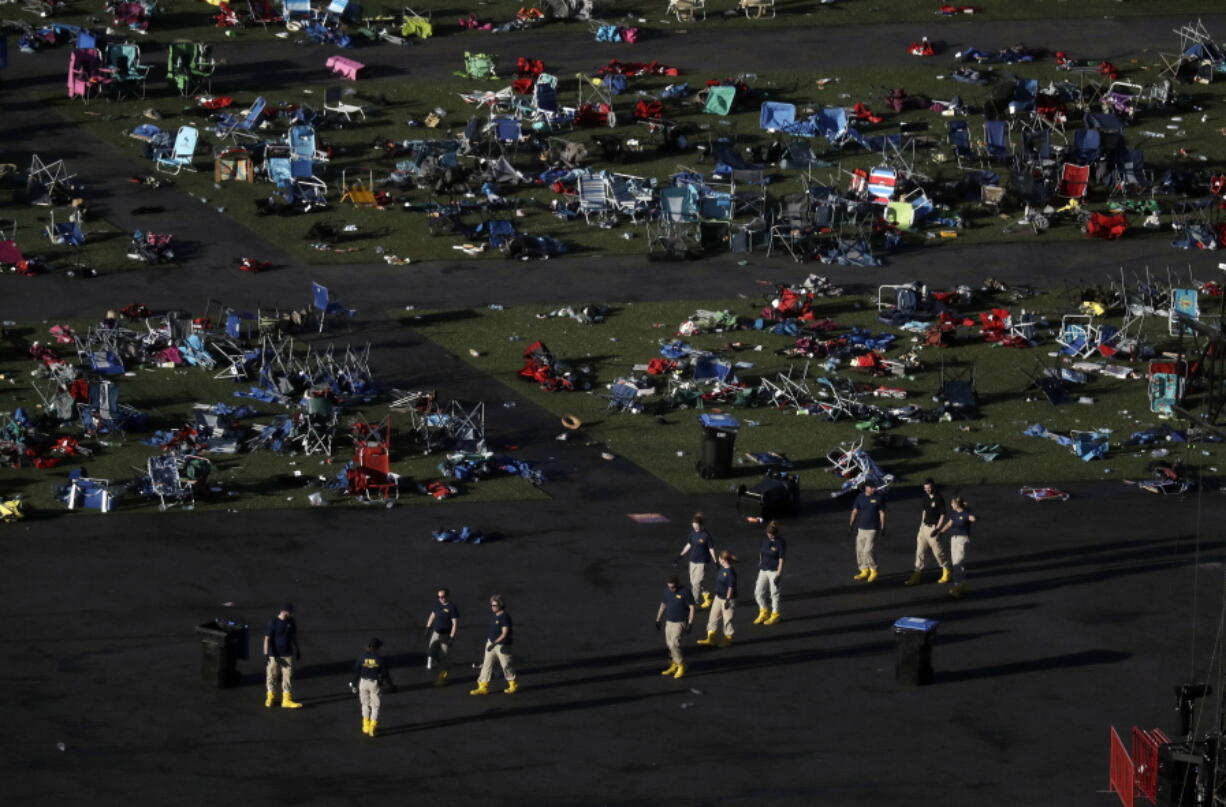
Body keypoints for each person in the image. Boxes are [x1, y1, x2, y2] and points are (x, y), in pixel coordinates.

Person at [906, 479, 951, 586]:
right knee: (919, 552)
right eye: (925, 488)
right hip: (924, 528)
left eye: (929, 488)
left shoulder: (939, 498)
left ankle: (946, 570)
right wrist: (921, 524)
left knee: (938, 552)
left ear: (933, 486)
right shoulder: (925, 497)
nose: (927, 490)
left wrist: (938, 529)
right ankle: (917, 574)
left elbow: (942, 515)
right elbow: (924, 511)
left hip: (934, 528)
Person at [470, 595, 518, 695]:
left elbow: (504, 633)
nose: (492, 607)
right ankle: (483, 687)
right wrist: (490, 643)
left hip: (502, 645)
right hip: (491, 643)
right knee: (486, 665)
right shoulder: (495, 615)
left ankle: (513, 684)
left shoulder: (504, 617)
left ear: (501, 605)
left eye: (494, 605)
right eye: (491, 605)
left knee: (506, 665)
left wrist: (495, 643)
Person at [349, 638, 395, 737]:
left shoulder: (361, 657)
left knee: (365, 704)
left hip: (363, 683)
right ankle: (372, 728)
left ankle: (365, 726)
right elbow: (385, 675)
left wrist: (353, 683)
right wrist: (392, 686)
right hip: (374, 684)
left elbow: (356, 671)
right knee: (375, 706)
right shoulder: (380, 659)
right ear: (377, 648)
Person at [655, 575, 695, 678]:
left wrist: (690, 623)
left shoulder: (685, 592)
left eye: (673, 587)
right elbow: (663, 605)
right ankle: (674, 665)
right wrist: (658, 619)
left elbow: (692, 607)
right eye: (669, 587)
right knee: (669, 645)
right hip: (669, 622)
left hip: (680, 622)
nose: (671, 589)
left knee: (674, 644)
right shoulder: (667, 592)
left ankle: (681, 665)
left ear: (677, 584)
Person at [263, 603, 302, 709]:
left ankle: (286, 700)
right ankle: (270, 697)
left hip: (287, 655)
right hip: (274, 656)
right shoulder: (273, 622)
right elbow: (267, 639)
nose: (292, 614)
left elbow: (294, 637)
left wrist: (297, 649)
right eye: (291, 612)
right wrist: (266, 654)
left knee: (288, 676)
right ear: (284, 611)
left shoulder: (291, 622)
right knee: (272, 676)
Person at [675, 513, 717, 610]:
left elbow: (711, 549)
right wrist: (680, 556)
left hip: (702, 562)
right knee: (694, 582)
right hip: (692, 561)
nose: (695, 529)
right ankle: (708, 597)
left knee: (696, 583)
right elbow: (688, 545)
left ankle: (693, 603)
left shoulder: (706, 535)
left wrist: (716, 561)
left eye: (697, 527)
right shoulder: (693, 533)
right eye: (694, 527)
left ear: (701, 525)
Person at [939, 497, 977, 598]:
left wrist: (968, 509)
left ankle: (957, 586)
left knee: (958, 563)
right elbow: (949, 524)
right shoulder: (954, 513)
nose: (951, 505)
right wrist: (941, 532)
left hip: (962, 540)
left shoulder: (965, 513)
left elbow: (973, 519)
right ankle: (962, 584)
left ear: (957, 504)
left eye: (952, 504)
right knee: (955, 562)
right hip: (954, 539)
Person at [698, 551, 736, 647]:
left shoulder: (730, 572)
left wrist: (727, 600)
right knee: (713, 617)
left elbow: (731, 587)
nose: (718, 560)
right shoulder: (723, 569)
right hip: (718, 598)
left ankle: (728, 639)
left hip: (727, 599)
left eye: (719, 558)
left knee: (727, 620)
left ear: (723, 560)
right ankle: (710, 638)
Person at [850, 482, 887, 582]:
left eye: (874, 487)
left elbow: (882, 513)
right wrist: (851, 524)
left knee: (868, 550)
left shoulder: (878, 498)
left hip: (872, 529)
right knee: (860, 550)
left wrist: (883, 528)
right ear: (866, 488)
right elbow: (855, 511)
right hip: (861, 529)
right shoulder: (860, 497)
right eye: (872, 487)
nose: (874, 489)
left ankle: (873, 570)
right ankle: (864, 570)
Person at [752, 521, 785, 625]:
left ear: (775, 534)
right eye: (768, 534)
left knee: (774, 593)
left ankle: (775, 614)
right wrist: (760, 561)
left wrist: (779, 573)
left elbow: (781, 559)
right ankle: (764, 611)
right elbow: (761, 551)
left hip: (774, 571)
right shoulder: (764, 539)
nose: (769, 535)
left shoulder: (780, 542)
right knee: (758, 592)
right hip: (763, 569)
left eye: (771, 534)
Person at [425, 588, 459, 687]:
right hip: (436, 633)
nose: (441, 599)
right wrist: (428, 627)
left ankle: (443, 678)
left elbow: (455, 624)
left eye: (443, 597)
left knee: (445, 656)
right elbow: (432, 615)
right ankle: (442, 665)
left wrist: (452, 637)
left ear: (447, 596)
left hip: (446, 635)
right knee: (431, 651)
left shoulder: (452, 608)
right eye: (439, 597)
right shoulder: (437, 605)